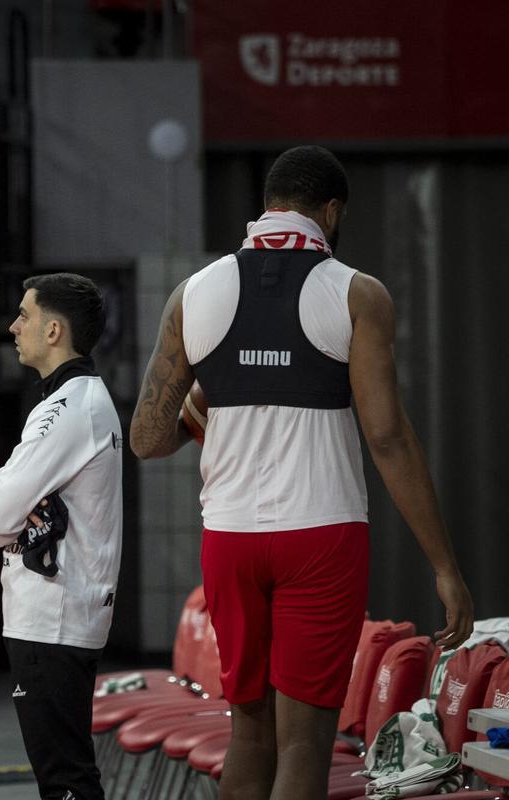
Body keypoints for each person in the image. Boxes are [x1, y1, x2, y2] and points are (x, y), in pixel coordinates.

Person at [130, 145, 474, 800]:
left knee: (249, 734)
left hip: (229, 539)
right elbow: (388, 437)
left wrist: (209, 414)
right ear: (332, 209)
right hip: (321, 539)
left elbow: (146, 439)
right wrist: (444, 567)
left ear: (267, 205)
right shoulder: (356, 294)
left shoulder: (193, 292)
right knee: (304, 744)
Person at [0, 272, 122, 800]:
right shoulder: (76, 400)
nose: (15, 326)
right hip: (59, 615)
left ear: (55, 330)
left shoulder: (66, 410)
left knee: (65, 783)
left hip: (52, 618)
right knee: (66, 777)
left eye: (26, 315)